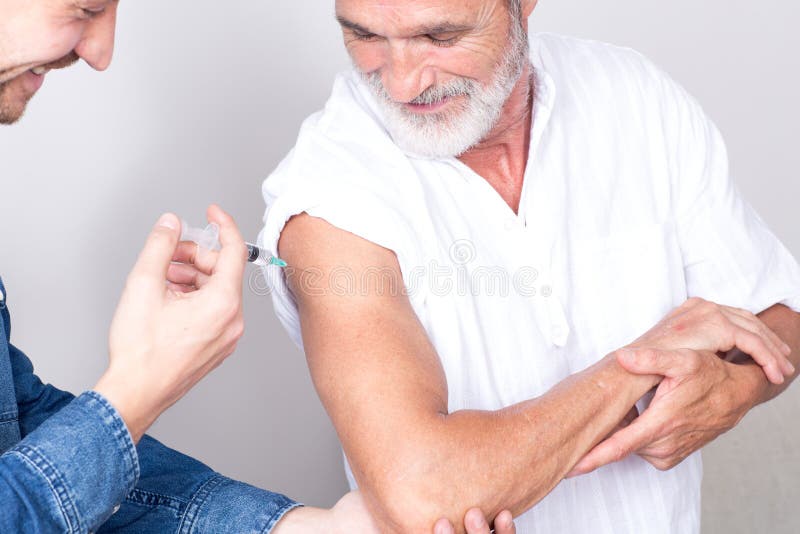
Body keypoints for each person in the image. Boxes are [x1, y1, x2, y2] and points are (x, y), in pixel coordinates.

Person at [258, 0, 800, 532]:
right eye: (365, 36)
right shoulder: (325, 197)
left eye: (441, 37)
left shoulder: (635, 95)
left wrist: (737, 388)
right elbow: (424, 492)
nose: (401, 84)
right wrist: (650, 359)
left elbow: (781, 314)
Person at [0, 1, 515, 532]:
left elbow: (20, 430)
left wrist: (304, 526)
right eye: (84, 7)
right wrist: (136, 388)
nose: (101, 52)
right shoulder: (331, 180)